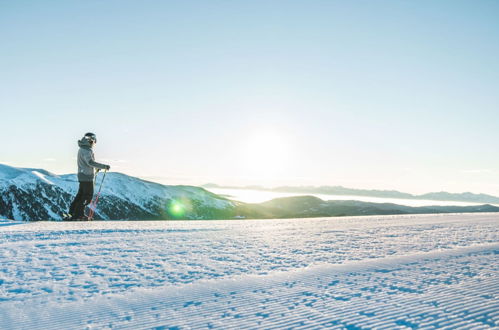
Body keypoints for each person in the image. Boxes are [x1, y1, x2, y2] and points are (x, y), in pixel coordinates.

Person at [68, 132, 110, 220]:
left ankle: (72, 213)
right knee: (87, 196)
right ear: (91, 140)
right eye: (93, 141)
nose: (94, 143)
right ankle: (79, 215)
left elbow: (86, 163)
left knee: (81, 195)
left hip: (82, 175)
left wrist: (95, 168)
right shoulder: (87, 150)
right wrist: (103, 166)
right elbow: (90, 162)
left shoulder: (82, 148)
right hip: (86, 176)